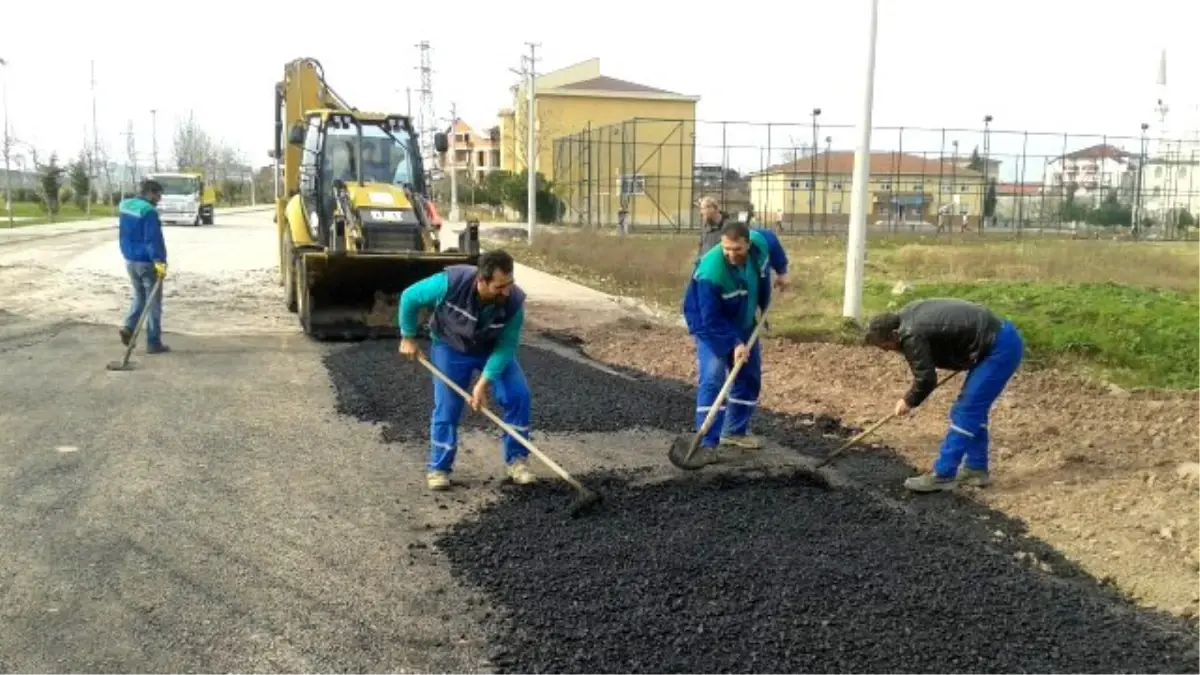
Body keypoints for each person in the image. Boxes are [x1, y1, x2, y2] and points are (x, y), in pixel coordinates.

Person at [396, 250, 537, 491]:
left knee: (518, 395)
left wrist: (483, 382)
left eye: (509, 284)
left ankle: (517, 461)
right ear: (481, 280)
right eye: (499, 286)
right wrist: (407, 336)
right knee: (447, 406)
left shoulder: (514, 303)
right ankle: (439, 468)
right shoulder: (449, 283)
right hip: (450, 347)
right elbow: (409, 297)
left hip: (491, 349)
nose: (506, 291)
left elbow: (506, 346)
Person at [863, 298, 1025, 493]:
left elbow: (926, 379)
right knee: (972, 411)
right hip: (995, 339)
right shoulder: (907, 317)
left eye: (887, 346)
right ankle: (976, 469)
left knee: (965, 411)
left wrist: (908, 400)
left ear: (894, 334)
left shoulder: (911, 334)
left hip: (998, 349)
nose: (889, 351)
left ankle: (943, 475)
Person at [682, 220, 788, 454]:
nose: (730, 254)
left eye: (737, 249)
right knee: (713, 378)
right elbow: (710, 319)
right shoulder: (711, 272)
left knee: (748, 376)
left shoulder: (759, 243)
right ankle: (707, 443)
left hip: (744, 318)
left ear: (747, 244)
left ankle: (734, 432)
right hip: (710, 324)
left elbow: (772, 240)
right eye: (726, 249)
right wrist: (734, 344)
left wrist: (782, 272)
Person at [117, 179, 169, 353]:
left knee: (139, 296)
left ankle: (129, 327)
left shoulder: (126, 206)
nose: (159, 198)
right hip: (147, 263)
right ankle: (153, 342)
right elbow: (152, 239)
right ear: (149, 193)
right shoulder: (149, 212)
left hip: (130, 260)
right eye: (157, 194)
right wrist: (159, 261)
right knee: (153, 303)